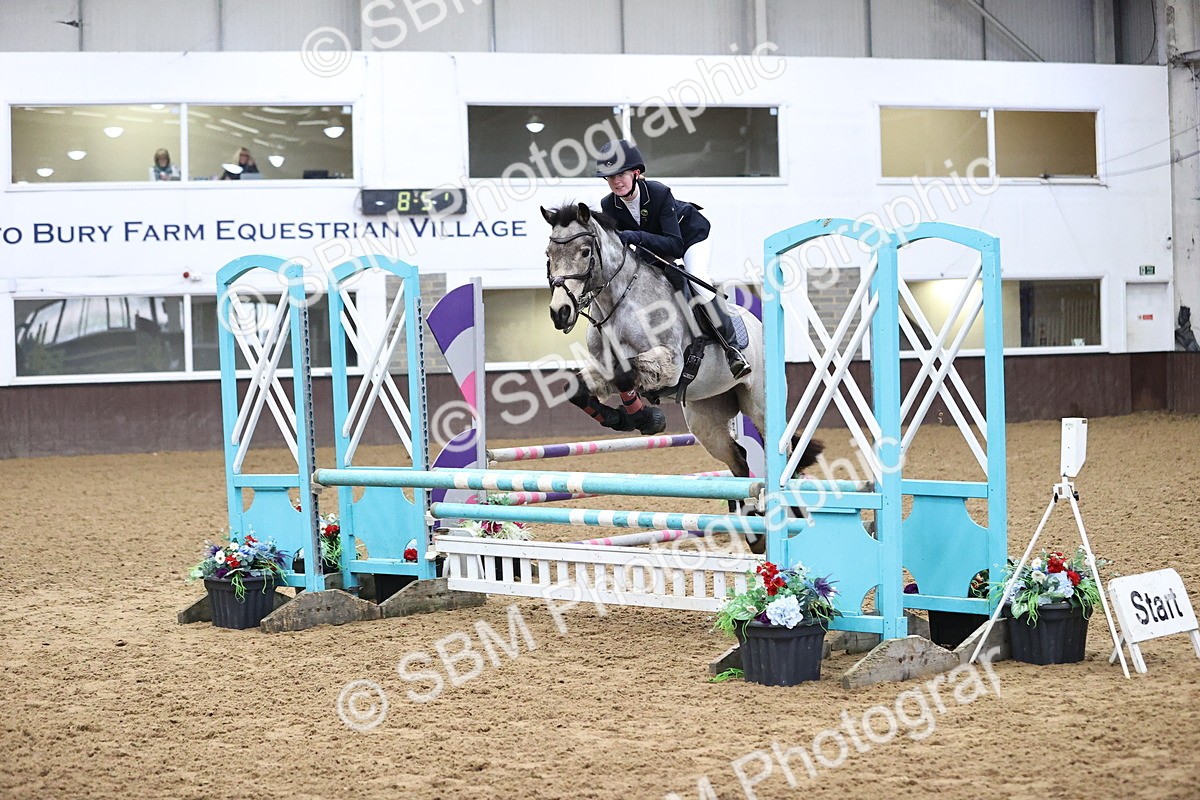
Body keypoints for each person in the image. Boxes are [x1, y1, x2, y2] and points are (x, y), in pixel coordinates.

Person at [594, 139, 750, 378]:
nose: (616, 182)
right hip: (653, 244)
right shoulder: (609, 205)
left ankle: (732, 349)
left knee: (697, 279)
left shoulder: (658, 193)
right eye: (609, 177)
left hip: (689, 236)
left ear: (636, 173)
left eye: (621, 174)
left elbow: (675, 246)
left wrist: (636, 236)